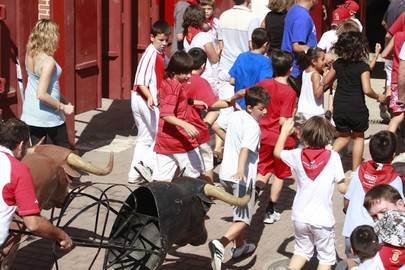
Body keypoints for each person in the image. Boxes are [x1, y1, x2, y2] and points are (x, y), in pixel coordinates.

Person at [274, 116, 348, 270]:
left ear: (304, 136)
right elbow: (342, 188)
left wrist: (284, 133)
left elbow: (277, 152)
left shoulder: (297, 154)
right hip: (322, 219)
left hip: (300, 216)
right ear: (328, 137)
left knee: (301, 252)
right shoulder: (333, 157)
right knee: (326, 259)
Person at [209, 86, 269, 270]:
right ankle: (221, 243)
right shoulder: (253, 127)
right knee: (244, 220)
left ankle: (240, 247)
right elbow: (245, 149)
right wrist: (241, 169)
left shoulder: (236, 116)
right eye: (261, 108)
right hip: (241, 178)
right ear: (250, 107)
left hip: (225, 175)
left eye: (266, 107)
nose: (265, 111)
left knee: (238, 213)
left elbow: (217, 125)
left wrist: (236, 96)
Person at [0, 118, 73, 252]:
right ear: (21, 145)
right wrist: (61, 236)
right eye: (28, 146)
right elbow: (33, 224)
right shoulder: (17, 170)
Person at [320, 31, 385, 172]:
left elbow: (325, 81)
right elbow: (367, 89)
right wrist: (378, 96)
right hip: (356, 107)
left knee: (343, 137)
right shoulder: (362, 67)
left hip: (340, 106)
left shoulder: (338, 64)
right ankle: (355, 171)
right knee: (358, 137)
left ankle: (324, 161)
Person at [342, 130, 404, 267]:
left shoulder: (360, 170)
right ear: (393, 155)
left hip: (351, 235)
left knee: (353, 265)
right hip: (375, 241)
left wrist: (347, 212)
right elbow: (399, 212)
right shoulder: (394, 179)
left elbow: (346, 201)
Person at [213, 0, 260, 164]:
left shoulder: (223, 16)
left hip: (225, 68)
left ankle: (220, 148)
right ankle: (238, 149)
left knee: (225, 111)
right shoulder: (252, 18)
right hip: (243, 70)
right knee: (243, 113)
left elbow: (221, 45)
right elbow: (251, 46)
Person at [255, 50, 297, 224]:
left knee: (262, 170)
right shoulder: (289, 92)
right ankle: (270, 209)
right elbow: (283, 121)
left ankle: (253, 196)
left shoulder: (264, 83)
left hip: (262, 135)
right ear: (290, 69)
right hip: (280, 139)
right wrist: (297, 131)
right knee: (279, 174)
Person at [128, 21, 170, 183]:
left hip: (141, 99)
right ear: (152, 38)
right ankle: (145, 165)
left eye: (166, 40)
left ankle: (134, 174)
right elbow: (140, 81)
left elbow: (168, 63)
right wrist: (150, 97)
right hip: (145, 100)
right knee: (160, 135)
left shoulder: (160, 54)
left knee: (145, 138)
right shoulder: (150, 54)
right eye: (161, 40)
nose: (164, 43)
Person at [21, 19, 74, 148]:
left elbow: (44, 86)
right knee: (64, 152)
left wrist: (63, 99)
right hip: (48, 115)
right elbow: (42, 94)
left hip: (31, 113)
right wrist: (63, 107)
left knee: (38, 153)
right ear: (51, 37)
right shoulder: (48, 62)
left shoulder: (30, 54)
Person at [152, 51, 205, 181]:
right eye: (185, 73)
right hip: (179, 141)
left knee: (161, 181)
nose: (189, 76)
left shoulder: (167, 82)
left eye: (189, 72)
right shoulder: (174, 88)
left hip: (164, 141)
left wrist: (193, 102)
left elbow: (174, 102)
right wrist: (186, 125)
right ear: (175, 71)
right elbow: (166, 114)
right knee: (195, 177)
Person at [185, 47, 233, 184]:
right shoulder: (200, 82)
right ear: (203, 66)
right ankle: (209, 187)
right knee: (207, 157)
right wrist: (231, 103)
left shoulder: (179, 77)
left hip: (179, 124)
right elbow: (213, 104)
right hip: (194, 125)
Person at [229, 27, 273, 109]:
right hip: (254, 105)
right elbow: (264, 85)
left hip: (238, 103)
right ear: (265, 44)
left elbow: (232, 80)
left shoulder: (241, 57)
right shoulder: (266, 62)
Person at [281, 0, 318, 93]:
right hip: (296, 72)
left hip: (290, 67)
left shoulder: (293, 10)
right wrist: (318, 52)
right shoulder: (303, 17)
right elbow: (297, 46)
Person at [182, 5, 219, 89]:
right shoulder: (203, 36)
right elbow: (214, 59)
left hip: (193, 76)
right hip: (207, 77)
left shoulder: (187, 36)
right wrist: (219, 49)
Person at [381, 30, 405, 133]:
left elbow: (385, 54)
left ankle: (388, 144)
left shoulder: (398, 35)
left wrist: (395, 56)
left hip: (397, 78)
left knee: (398, 115)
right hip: (401, 75)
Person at [297, 47, 326, 119]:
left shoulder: (305, 72)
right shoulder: (315, 75)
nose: (324, 62)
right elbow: (317, 94)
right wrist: (324, 80)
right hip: (314, 113)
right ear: (314, 61)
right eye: (322, 60)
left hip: (304, 110)